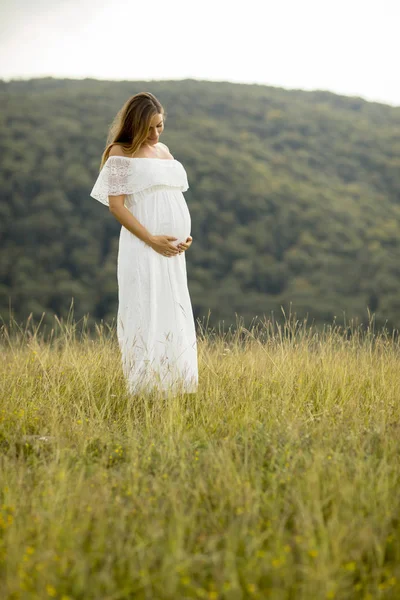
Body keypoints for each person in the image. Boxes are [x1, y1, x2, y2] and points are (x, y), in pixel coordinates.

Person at [89, 92, 198, 396]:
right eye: (148, 128)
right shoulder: (119, 153)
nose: (154, 134)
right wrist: (152, 238)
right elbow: (117, 206)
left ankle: (178, 386)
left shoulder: (163, 150)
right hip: (143, 245)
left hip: (172, 252)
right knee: (146, 310)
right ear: (134, 125)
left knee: (172, 310)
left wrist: (182, 236)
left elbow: (173, 195)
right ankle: (145, 391)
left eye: (159, 126)